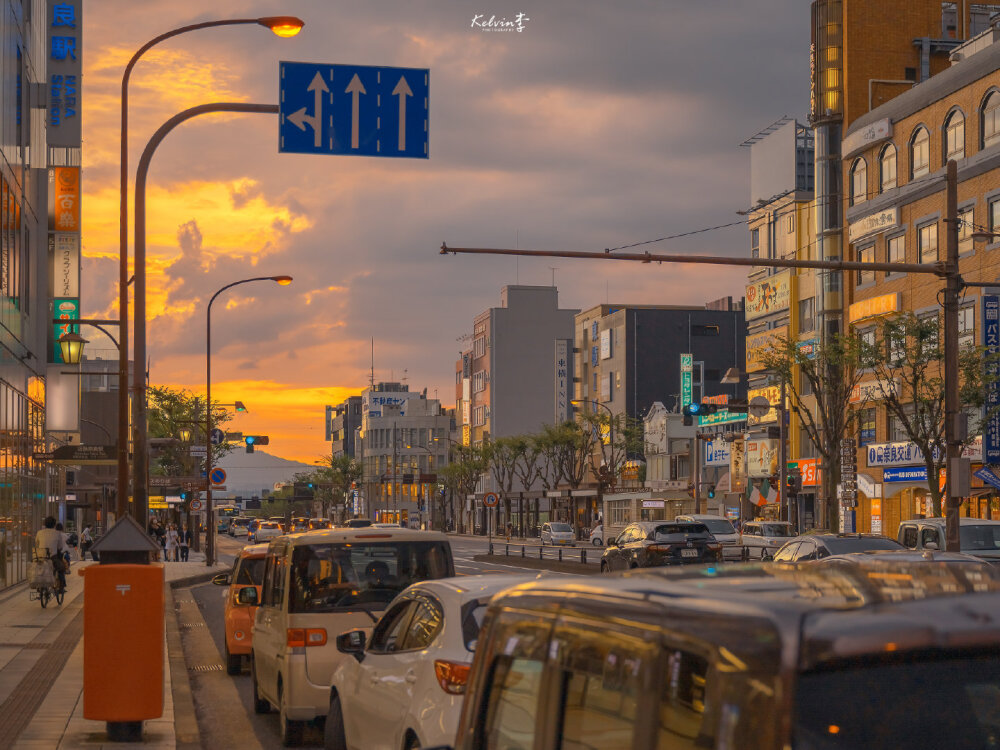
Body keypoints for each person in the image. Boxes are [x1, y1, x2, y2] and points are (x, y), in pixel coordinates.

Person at [35, 516, 68, 591]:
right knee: (61, 568)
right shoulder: (57, 533)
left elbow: (36, 544)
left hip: (41, 557)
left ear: (45, 524)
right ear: (54, 525)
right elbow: (60, 547)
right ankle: (61, 587)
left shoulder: (39, 533)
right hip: (52, 558)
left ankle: (40, 586)